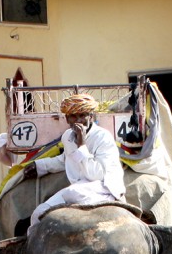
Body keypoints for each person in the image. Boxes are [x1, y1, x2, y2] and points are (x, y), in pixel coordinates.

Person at [27, 93, 125, 229]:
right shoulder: (67, 136)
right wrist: (39, 166)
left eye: (82, 115)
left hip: (104, 188)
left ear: (91, 116)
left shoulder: (103, 137)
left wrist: (82, 145)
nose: (78, 120)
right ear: (67, 119)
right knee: (39, 213)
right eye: (73, 116)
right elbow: (65, 160)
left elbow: (96, 175)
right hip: (79, 189)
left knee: (72, 193)